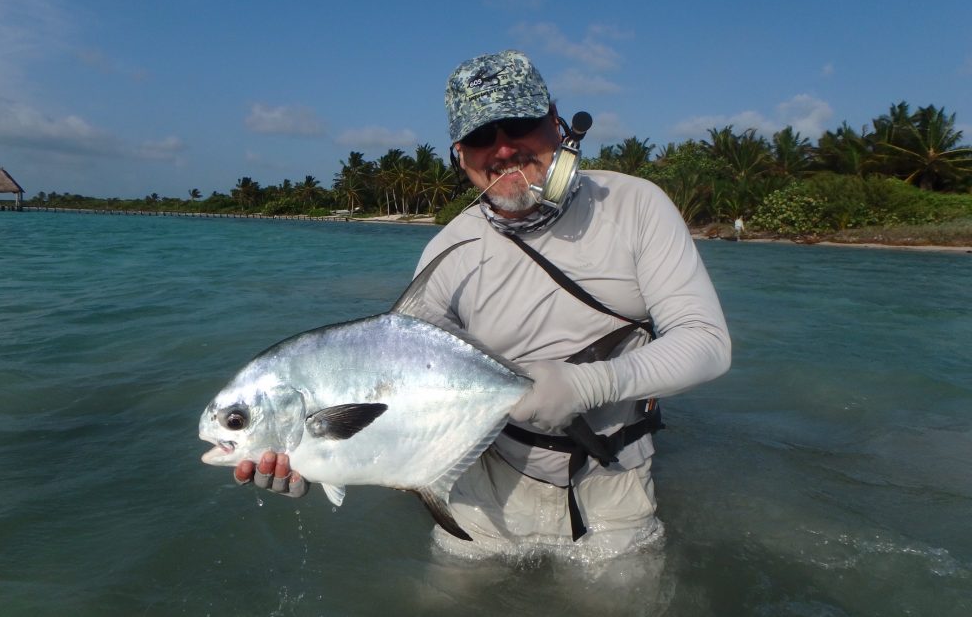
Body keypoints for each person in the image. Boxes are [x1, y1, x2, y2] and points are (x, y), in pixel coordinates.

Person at [235, 49, 731, 559]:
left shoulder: (634, 205)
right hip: (483, 490)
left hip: (614, 482)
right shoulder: (447, 253)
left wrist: (590, 383)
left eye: (519, 124)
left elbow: (707, 343)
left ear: (557, 126)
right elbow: (402, 397)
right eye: (480, 137)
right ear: (458, 154)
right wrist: (316, 460)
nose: (503, 149)